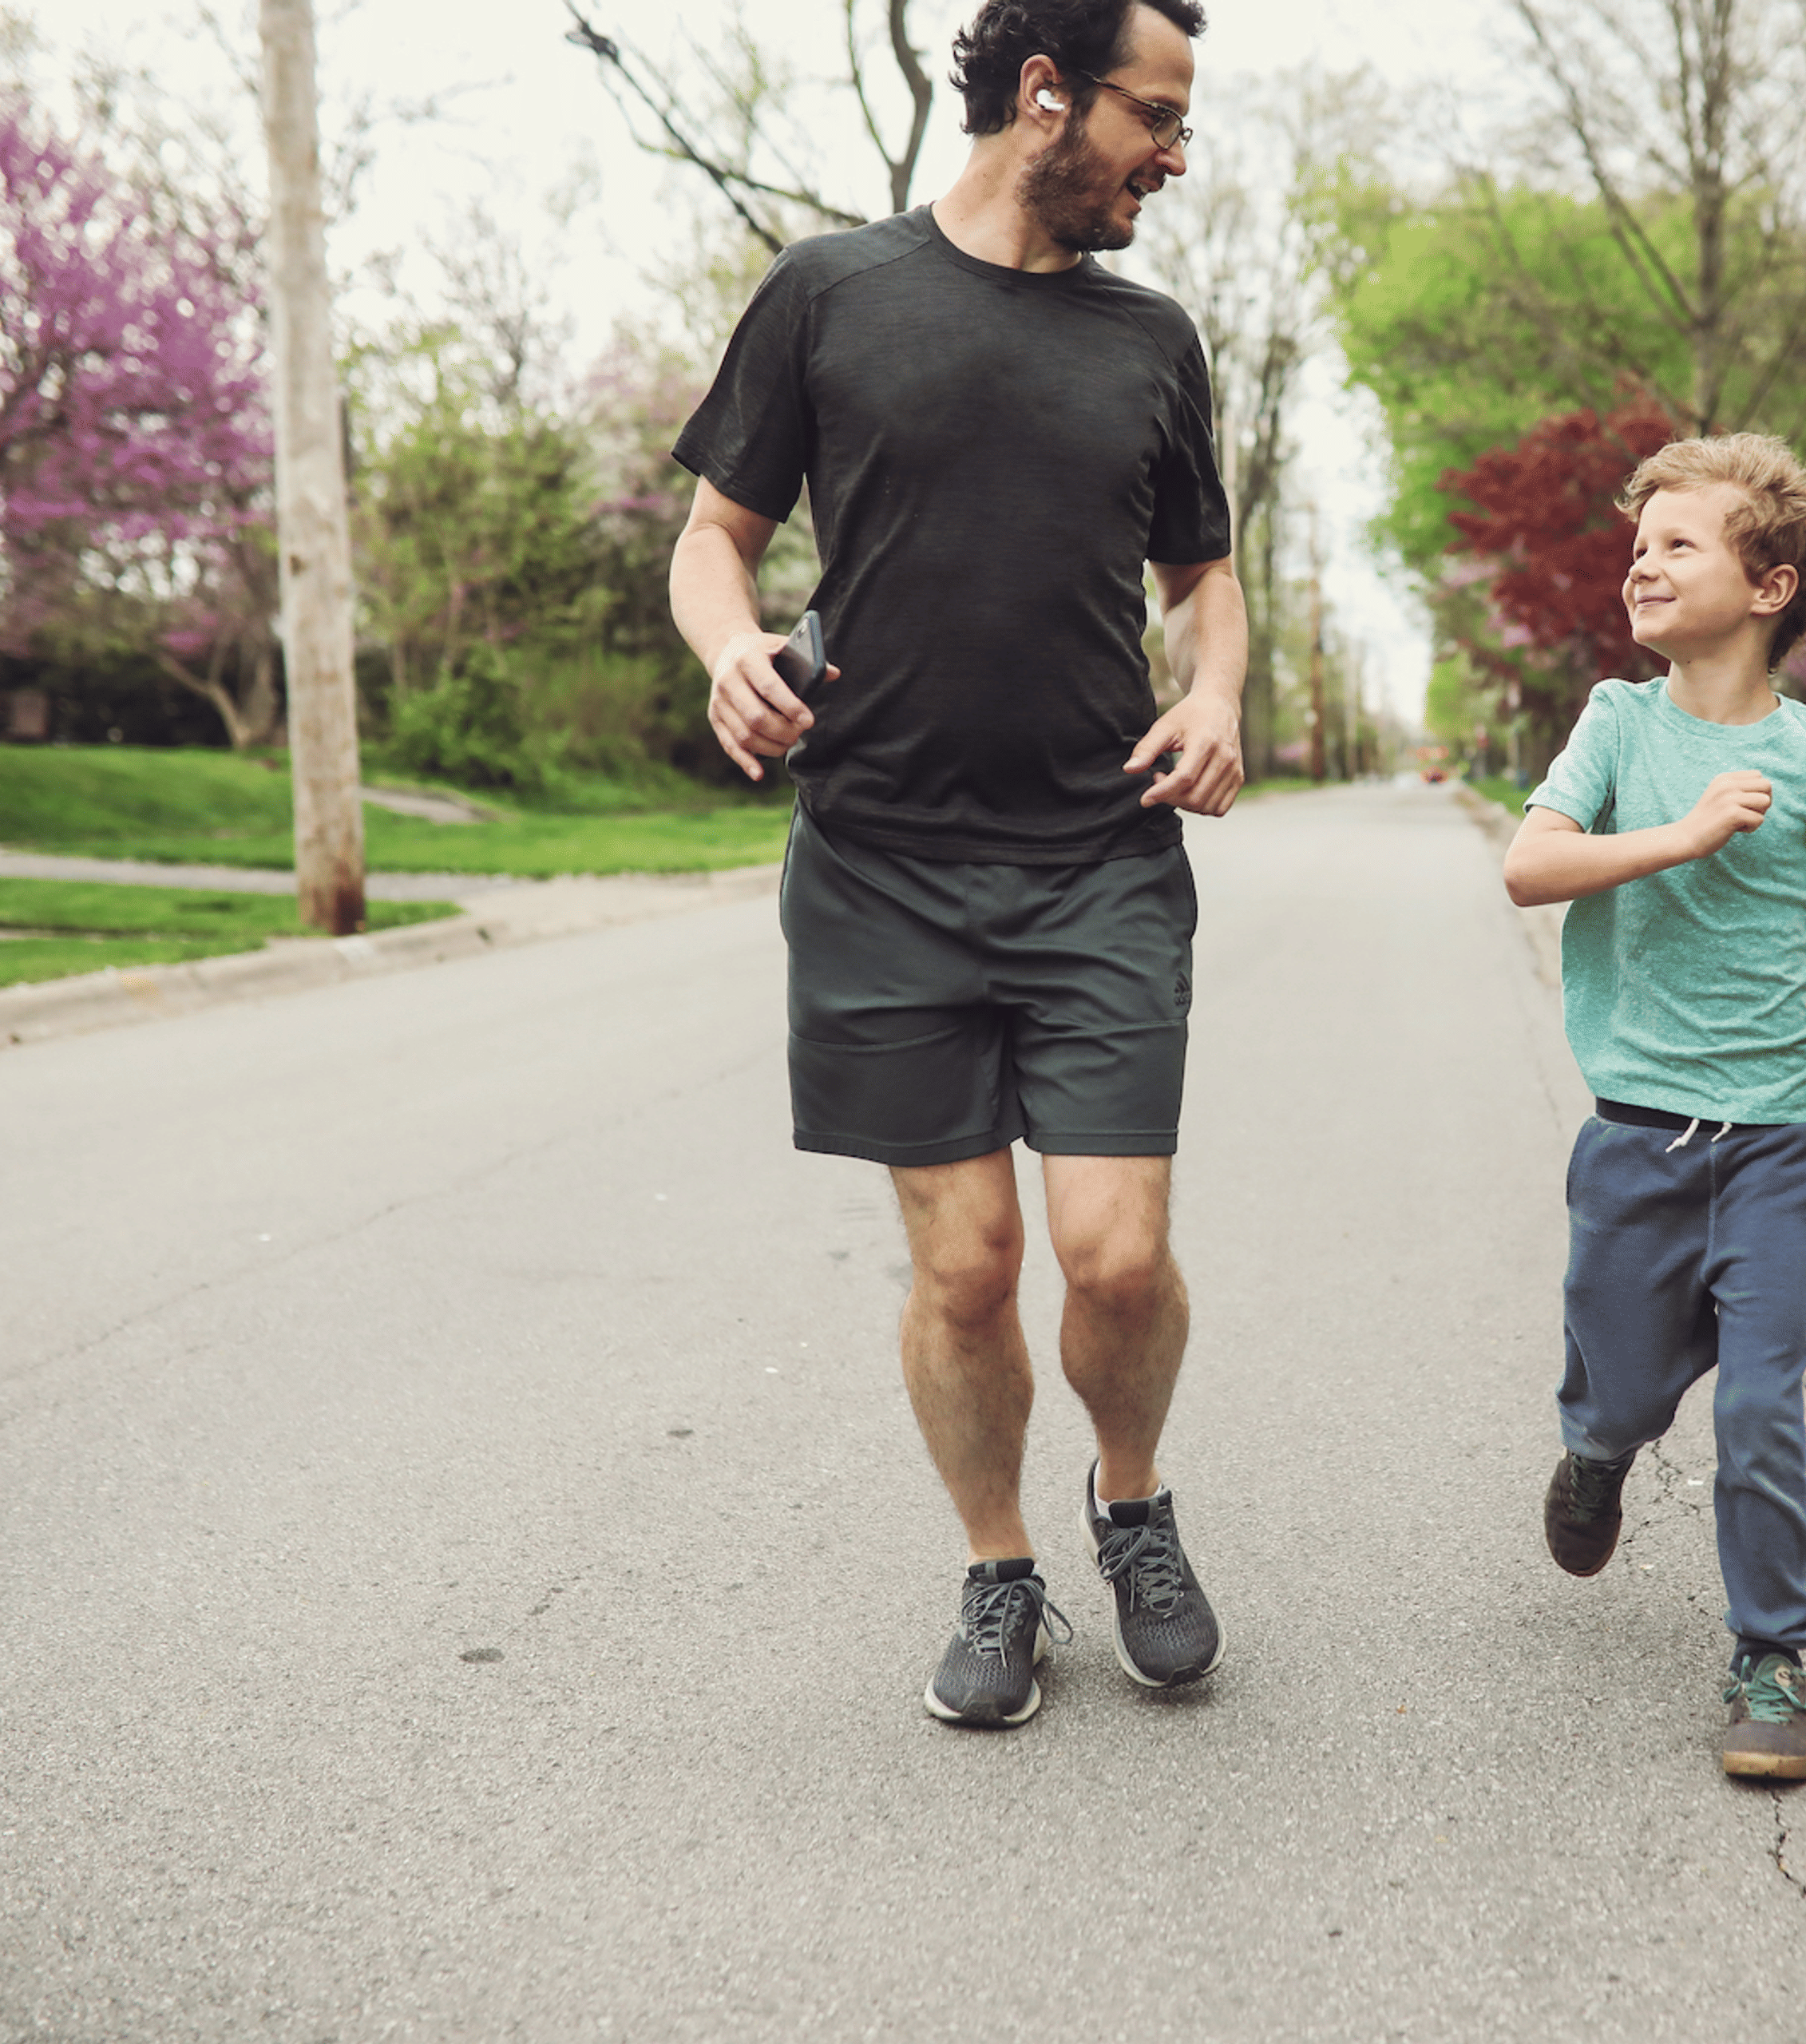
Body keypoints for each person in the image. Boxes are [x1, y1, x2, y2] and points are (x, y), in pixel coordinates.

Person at [666, 0, 1245, 1730]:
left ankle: (1130, 1505)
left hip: (1100, 856)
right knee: (970, 1260)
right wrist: (728, 650)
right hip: (881, 864)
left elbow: (1200, 577)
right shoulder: (830, 294)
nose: (1179, 154)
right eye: (1160, 115)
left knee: (1117, 1253)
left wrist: (1213, 690)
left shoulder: (1155, 343)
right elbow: (716, 537)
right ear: (1048, 98)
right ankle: (1002, 1568)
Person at [1501, 435, 1806, 1782]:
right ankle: (1598, 1448)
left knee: (1760, 1402)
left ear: (1770, 587)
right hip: (1637, 1132)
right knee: (1625, 1382)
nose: (1644, 560)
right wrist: (1682, 834)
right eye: (1642, 545)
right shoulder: (1619, 726)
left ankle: (1771, 1659)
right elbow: (1532, 867)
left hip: (1782, 1140)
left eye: (1680, 544)